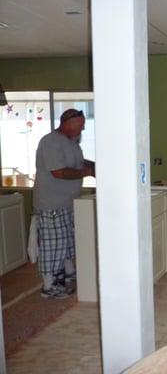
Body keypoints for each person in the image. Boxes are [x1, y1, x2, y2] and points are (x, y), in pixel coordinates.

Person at [33, 108, 95, 299]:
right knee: (54, 244)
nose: (82, 129)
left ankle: (67, 274)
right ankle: (48, 286)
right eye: (80, 125)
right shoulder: (51, 142)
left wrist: (94, 165)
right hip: (51, 203)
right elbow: (59, 172)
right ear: (67, 122)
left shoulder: (72, 142)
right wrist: (87, 172)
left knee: (67, 242)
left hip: (68, 202)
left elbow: (77, 161)